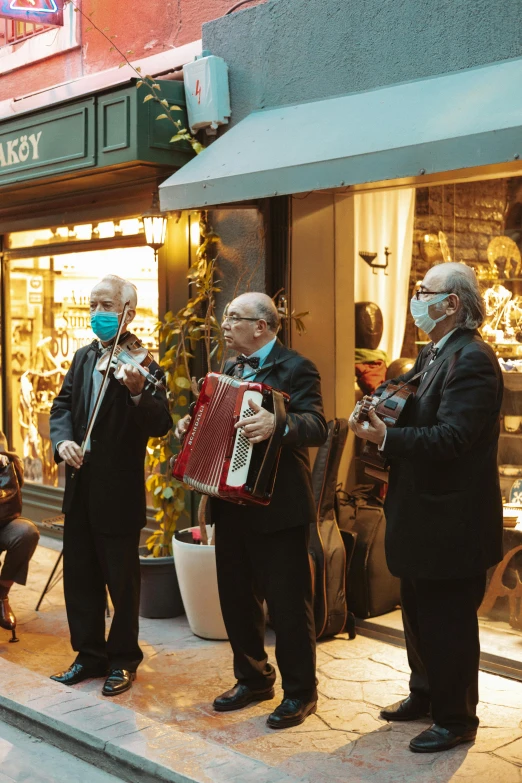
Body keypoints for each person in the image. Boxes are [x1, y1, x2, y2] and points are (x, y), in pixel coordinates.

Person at [349, 262, 503, 753]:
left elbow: (454, 437)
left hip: (452, 520)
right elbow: (409, 403)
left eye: (425, 292)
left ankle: (456, 718)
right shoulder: (435, 352)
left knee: (449, 620)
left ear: (452, 302)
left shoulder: (473, 358)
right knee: (417, 611)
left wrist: (388, 435)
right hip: (421, 512)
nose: (417, 300)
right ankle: (425, 693)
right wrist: (375, 409)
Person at [176, 292, 327, 729]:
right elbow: (217, 421)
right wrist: (193, 424)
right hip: (232, 503)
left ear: (261, 326)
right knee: (237, 598)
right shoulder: (230, 369)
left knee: (288, 605)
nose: (224, 324)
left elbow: (317, 424)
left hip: (280, 506)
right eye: (224, 317)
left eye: (233, 318)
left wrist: (278, 424)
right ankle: (254, 678)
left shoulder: (297, 367)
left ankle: (300, 692)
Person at [49, 275, 171, 696]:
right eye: (92, 305)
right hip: (79, 489)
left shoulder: (146, 365)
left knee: (122, 582)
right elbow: (62, 405)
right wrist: (63, 440)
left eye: (106, 306)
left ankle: (123, 660)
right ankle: (88, 655)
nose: (97, 314)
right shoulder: (84, 357)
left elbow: (160, 424)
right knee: (80, 578)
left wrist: (139, 394)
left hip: (117, 493)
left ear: (128, 313)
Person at [0, 433, 40, 643]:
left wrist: (5, 457)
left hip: (3, 519)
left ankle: (2, 595)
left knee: (26, 533)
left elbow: (17, 481)